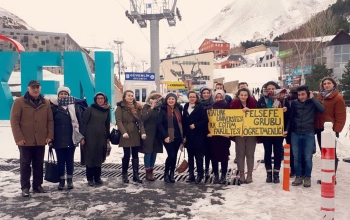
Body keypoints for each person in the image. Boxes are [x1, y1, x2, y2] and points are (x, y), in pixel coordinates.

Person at [10, 80, 54, 197]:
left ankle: (37, 185)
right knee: (25, 164)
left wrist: (49, 135)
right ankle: (25, 187)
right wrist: (18, 137)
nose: (36, 89)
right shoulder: (19, 102)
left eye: (37, 87)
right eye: (33, 87)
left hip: (40, 139)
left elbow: (50, 120)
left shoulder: (46, 102)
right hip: (25, 140)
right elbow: (14, 121)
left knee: (38, 164)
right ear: (28, 88)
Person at [289, 85, 325, 187]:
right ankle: (299, 176)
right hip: (295, 133)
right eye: (299, 95)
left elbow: (322, 109)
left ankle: (307, 177)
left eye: (303, 94)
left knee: (308, 157)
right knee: (297, 157)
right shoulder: (295, 103)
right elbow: (291, 117)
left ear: (308, 94)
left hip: (308, 133)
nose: (301, 97)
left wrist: (312, 98)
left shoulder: (312, 103)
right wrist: (287, 130)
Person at [50, 86, 84, 190]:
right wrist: (50, 138)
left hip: (71, 137)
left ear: (68, 95)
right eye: (61, 94)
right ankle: (61, 181)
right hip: (58, 138)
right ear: (58, 95)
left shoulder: (74, 106)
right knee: (60, 161)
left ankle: (69, 180)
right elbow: (50, 123)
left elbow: (80, 121)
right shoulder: (53, 107)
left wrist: (81, 136)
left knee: (70, 160)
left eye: (65, 94)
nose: (63, 95)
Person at [314, 77, 346, 183]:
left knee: (331, 154)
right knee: (324, 153)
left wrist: (336, 130)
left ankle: (332, 176)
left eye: (329, 83)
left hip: (330, 131)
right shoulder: (319, 97)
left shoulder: (338, 98)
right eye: (324, 84)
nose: (326, 85)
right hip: (320, 129)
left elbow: (341, 116)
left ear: (334, 85)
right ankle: (325, 175)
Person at [257, 81, 289, 184]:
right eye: (268, 88)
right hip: (266, 131)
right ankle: (268, 173)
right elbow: (256, 114)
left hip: (278, 131)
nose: (270, 90)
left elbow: (289, 116)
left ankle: (276, 173)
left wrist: (286, 110)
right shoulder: (262, 99)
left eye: (272, 88)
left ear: (276, 88)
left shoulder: (283, 99)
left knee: (278, 152)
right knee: (267, 152)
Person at [81, 92, 111, 187]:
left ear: (105, 99)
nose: (100, 100)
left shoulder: (106, 110)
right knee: (90, 157)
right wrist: (82, 137)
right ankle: (90, 178)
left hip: (101, 136)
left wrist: (107, 138)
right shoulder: (90, 109)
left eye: (102, 98)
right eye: (98, 98)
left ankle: (97, 178)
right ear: (95, 100)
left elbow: (107, 125)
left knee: (99, 157)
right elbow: (83, 123)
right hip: (90, 136)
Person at [116, 90, 146, 184]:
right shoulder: (120, 107)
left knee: (135, 154)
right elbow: (118, 121)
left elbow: (140, 121)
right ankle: (124, 174)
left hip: (135, 132)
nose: (130, 97)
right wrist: (123, 132)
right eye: (128, 95)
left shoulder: (137, 107)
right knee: (126, 154)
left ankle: (135, 175)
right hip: (125, 133)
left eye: (132, 96)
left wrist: (143, 132)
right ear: (124, 97)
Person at [231, 88, 257, 183]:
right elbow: (231, 117)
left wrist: (250, 111)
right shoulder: (234, 104)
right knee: (240, 154)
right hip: (240, 133)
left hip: (251, 132)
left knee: (250, 154)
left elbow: (259, 114)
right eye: (241, 95)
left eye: (245, 95)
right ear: (238, 95)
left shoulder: (254, 103)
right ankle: (241, 173)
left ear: (248, 96)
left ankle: (249, 174)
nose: (243, 97)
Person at [158, 93, 184, 183]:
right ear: (166, 100)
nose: (171, 100)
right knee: (171, 155)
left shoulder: (179, 109)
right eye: (169, 99)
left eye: (173, 99)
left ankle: (172, 173)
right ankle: (166, 173)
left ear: (176, 100)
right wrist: (165, 136)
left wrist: (183, 136)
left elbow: (182, 123)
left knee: (175, 155)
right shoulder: (163, 109)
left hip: (177, 136)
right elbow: (159, 124)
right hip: (167, 136)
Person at [183, 91, 208, 184]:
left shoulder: (200, 107)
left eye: (194, 97)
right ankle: (191, 175)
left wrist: (196, 125)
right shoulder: (186, 106)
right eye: (190, 97)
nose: (192, 98)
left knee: (199, 157)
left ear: (196, 98)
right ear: (188, 97)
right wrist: (184, 135)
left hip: (198, 136)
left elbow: (205, 120)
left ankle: (200, 175)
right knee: (190, 157)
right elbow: (184, 121)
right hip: (189, 136)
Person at [208, 90, 231, 184]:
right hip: (214, 137)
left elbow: (234, 120)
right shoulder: (210, 108)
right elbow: (207, 121)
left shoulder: (228, 107)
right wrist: (208, 132)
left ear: (224, 97)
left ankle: (224, 175)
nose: (218, 99)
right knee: (214, 157)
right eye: (217, 97)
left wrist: (231, 132)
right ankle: (216, 175)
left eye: (220, 97)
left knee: (224, 157)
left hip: (224, 137)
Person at [140, 91, 163, 181]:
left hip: (157, 133)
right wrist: (152, 108)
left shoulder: (160, 108)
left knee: (154, 152)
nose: (156, 101)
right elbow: (144, 118)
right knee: (148, 152)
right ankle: (147, 172)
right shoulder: (146, 107)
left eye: (158, 99)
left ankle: (152, 170)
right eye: (154, 99)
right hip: (148, 133)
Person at [199, 86, 214, 179]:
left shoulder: (213, 104)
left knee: (208, 151)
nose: (206, 95)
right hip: (200, 130)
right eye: (204, 93)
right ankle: (200, 170)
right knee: (201, 151)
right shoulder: (198, 104)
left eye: (207, 93)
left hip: (210, 130)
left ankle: (207, 169)